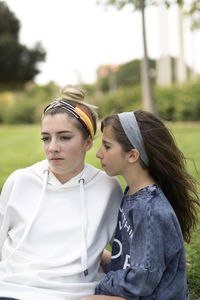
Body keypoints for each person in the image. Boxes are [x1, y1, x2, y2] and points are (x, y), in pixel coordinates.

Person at [0, 85, 123, 300]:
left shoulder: (108, 187)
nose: (52, 147)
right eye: (46, 138)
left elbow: (123, 252)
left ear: (87, 142)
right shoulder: (20, 181)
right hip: (9, 290)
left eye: (64, 137)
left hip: (74, 296)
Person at [80, 110, 199, 300]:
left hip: (152, 295)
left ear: (132, 155)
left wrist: (102, 285)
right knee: (91, 255)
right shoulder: (133, 192)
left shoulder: (149, 209)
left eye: (107, 146)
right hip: (139, 284)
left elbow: (140, 283)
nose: (99, 153)